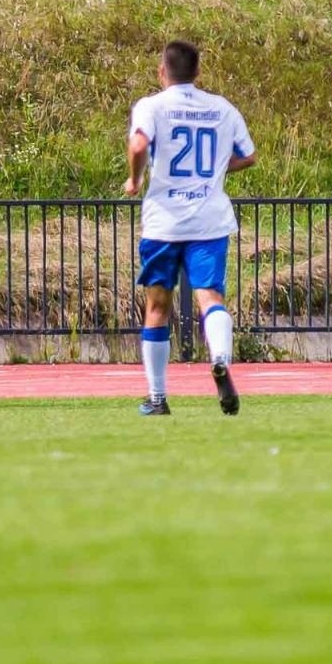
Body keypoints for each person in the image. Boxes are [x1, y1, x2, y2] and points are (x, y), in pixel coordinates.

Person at [124, 40, 255, 417]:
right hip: (208, 220)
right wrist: (215, 168)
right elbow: (249, 155)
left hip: (164, 222)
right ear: (197, 73)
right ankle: (219, 358)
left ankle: (158, 397)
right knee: (210, 298)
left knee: (157, 307)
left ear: (162, 71)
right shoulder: (221, 108)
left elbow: (137, 145)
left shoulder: (152, 106)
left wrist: (134, 180)